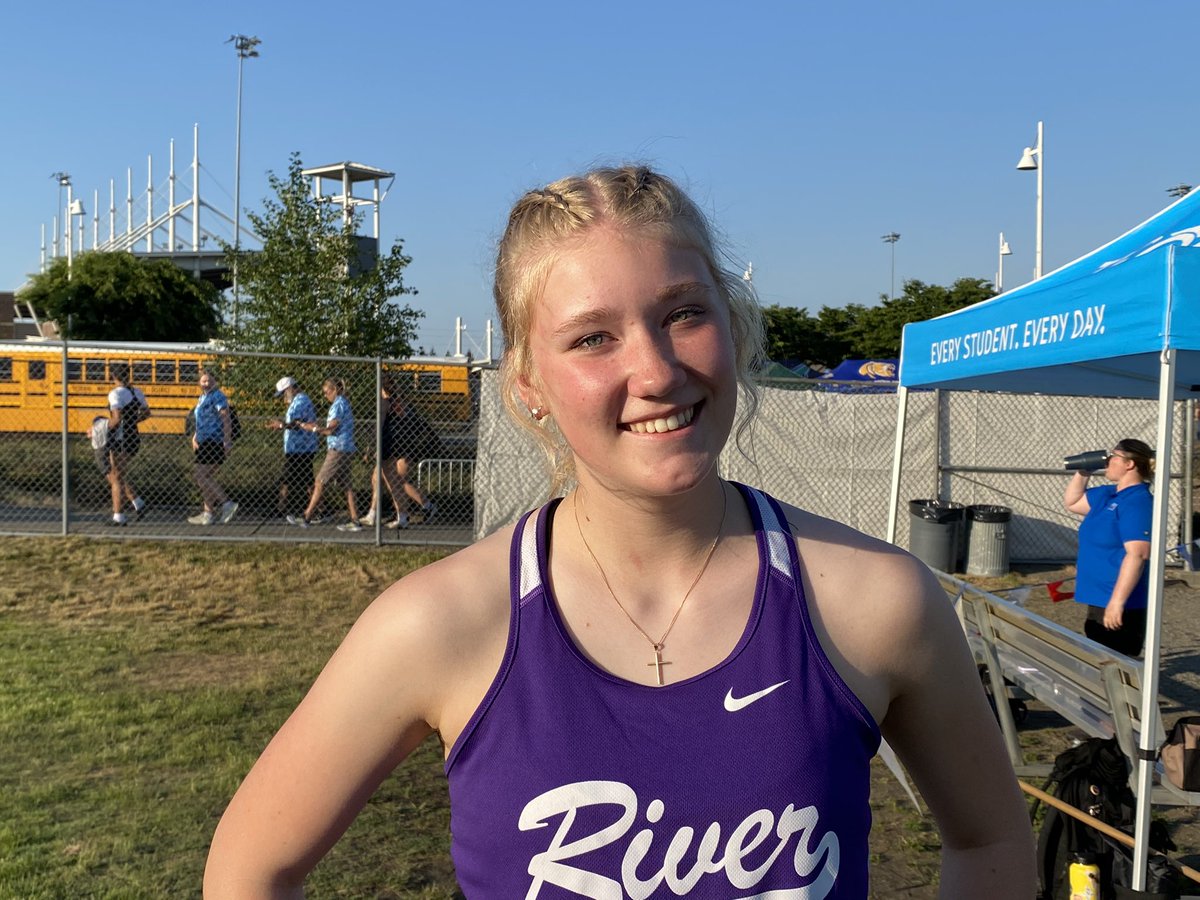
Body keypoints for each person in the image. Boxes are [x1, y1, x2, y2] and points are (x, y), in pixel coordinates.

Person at [205, 165, 1034, 897]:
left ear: (734, 325)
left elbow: (992, 839)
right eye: (593, 337)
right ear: (528, 382)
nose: (656, 371)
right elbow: (249, 869)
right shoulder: (441, 624)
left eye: (682, 314)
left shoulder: (875, 600)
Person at [1063, 439, 1154, 656]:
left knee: (1117, 661)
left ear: (1129, 464)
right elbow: (1072, 502)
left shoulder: (1138, 501)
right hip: (1097, 597)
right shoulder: (1107, 494)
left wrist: (1117, 602)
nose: (1107, 461)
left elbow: (1138, 554)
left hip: (1119, 600)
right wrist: (1084, 471)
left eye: (1113, 457)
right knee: (1097, 655)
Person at [358, 375, 437, 530]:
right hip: (398, 447)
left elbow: (380, 427)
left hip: (397, 448)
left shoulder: (388, 403)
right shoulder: (398, 403)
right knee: (378, 478)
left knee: (396, 481)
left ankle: (419, 508)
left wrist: (374, 448)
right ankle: (374, 513)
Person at [287, 377, 361, 530]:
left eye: (327, 392)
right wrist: (312, 426)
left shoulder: (338, 405)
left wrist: (313, 428)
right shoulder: (343, 403)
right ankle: (355, 520)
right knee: (346, 485)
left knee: (320, 481)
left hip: (338, 449)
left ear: (334, 390)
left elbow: (331, 429)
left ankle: (307, 516)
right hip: (345, 448)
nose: (325, 396)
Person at [99, 362, 147, 526]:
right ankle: (138, 503)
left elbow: (116, 419)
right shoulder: (137, 392)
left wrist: (99, 428)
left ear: (113, 376)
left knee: (116, 477)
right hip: (133, 437)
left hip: (121, 439)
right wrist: (133, 420)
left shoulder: (115, 394)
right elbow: (147, 413)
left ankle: (118, 516)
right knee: (117, 474)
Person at [188, 370, 238, 526]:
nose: (206, 383)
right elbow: (203, 420)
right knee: (206, 478)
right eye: (203, 381)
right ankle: (208, 514)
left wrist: (227, 441)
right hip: (203, 441)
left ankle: (226, 503)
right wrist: (195, 436)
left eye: (209, 380)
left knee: (201, 476)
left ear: (215, 381)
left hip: (214, 441)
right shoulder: (203, 397)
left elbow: (225, 418)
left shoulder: (217, 396)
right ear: (199, 383)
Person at [266, 376, 318, 520]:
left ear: (289, 389)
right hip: (298, 447)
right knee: (305, 479)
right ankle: (319, 508)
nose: (283, 397)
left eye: (283, 393)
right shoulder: (297, 401)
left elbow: (296, 423)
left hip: (301, 447)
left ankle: (282, 508)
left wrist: (281, 425)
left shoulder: (301, 401)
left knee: (288, 478)